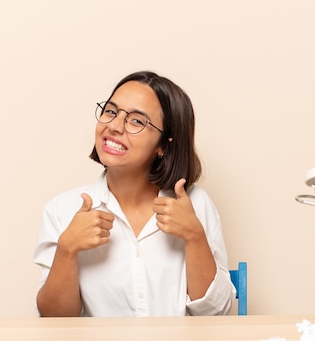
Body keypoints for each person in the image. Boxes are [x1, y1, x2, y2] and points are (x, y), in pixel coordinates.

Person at [33, 71, 235, 317]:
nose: (115, 127)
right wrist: (67, 249)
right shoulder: (61, 209)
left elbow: (216, 314)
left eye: (137, 121)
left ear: (164, 143)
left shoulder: (195, 204)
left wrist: (194, 237)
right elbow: (54, 321)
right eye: (110, 112)